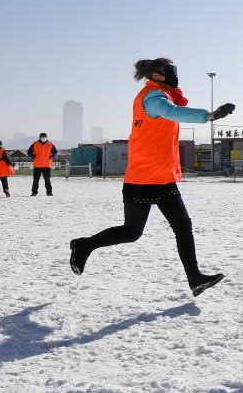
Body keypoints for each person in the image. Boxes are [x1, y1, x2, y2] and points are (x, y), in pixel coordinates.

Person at [68, 57, 232, 297]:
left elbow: (173, 111)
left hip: (162, 178)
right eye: (171, 71)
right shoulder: (153, 97)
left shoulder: (159, 94)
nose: (175, 75)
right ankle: (84, 245)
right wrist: (210, 116)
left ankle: (195, 278)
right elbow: (171, 112)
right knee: (131, 232)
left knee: (182, 226)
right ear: (158, 75)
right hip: (143, 179)